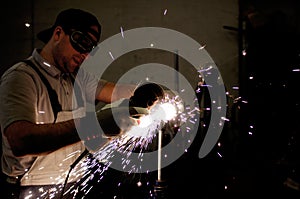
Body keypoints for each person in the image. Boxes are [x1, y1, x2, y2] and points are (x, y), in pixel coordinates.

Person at [0, 8, 136, 199]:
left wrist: (152, 92)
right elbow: (21, 141)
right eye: (82, 43)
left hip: (73, 183)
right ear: (58, 34)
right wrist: (93, 125)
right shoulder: (22, 77)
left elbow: (116, 91)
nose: (85, 55)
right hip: (31, 188)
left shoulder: (76, 78)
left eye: (91, 49)